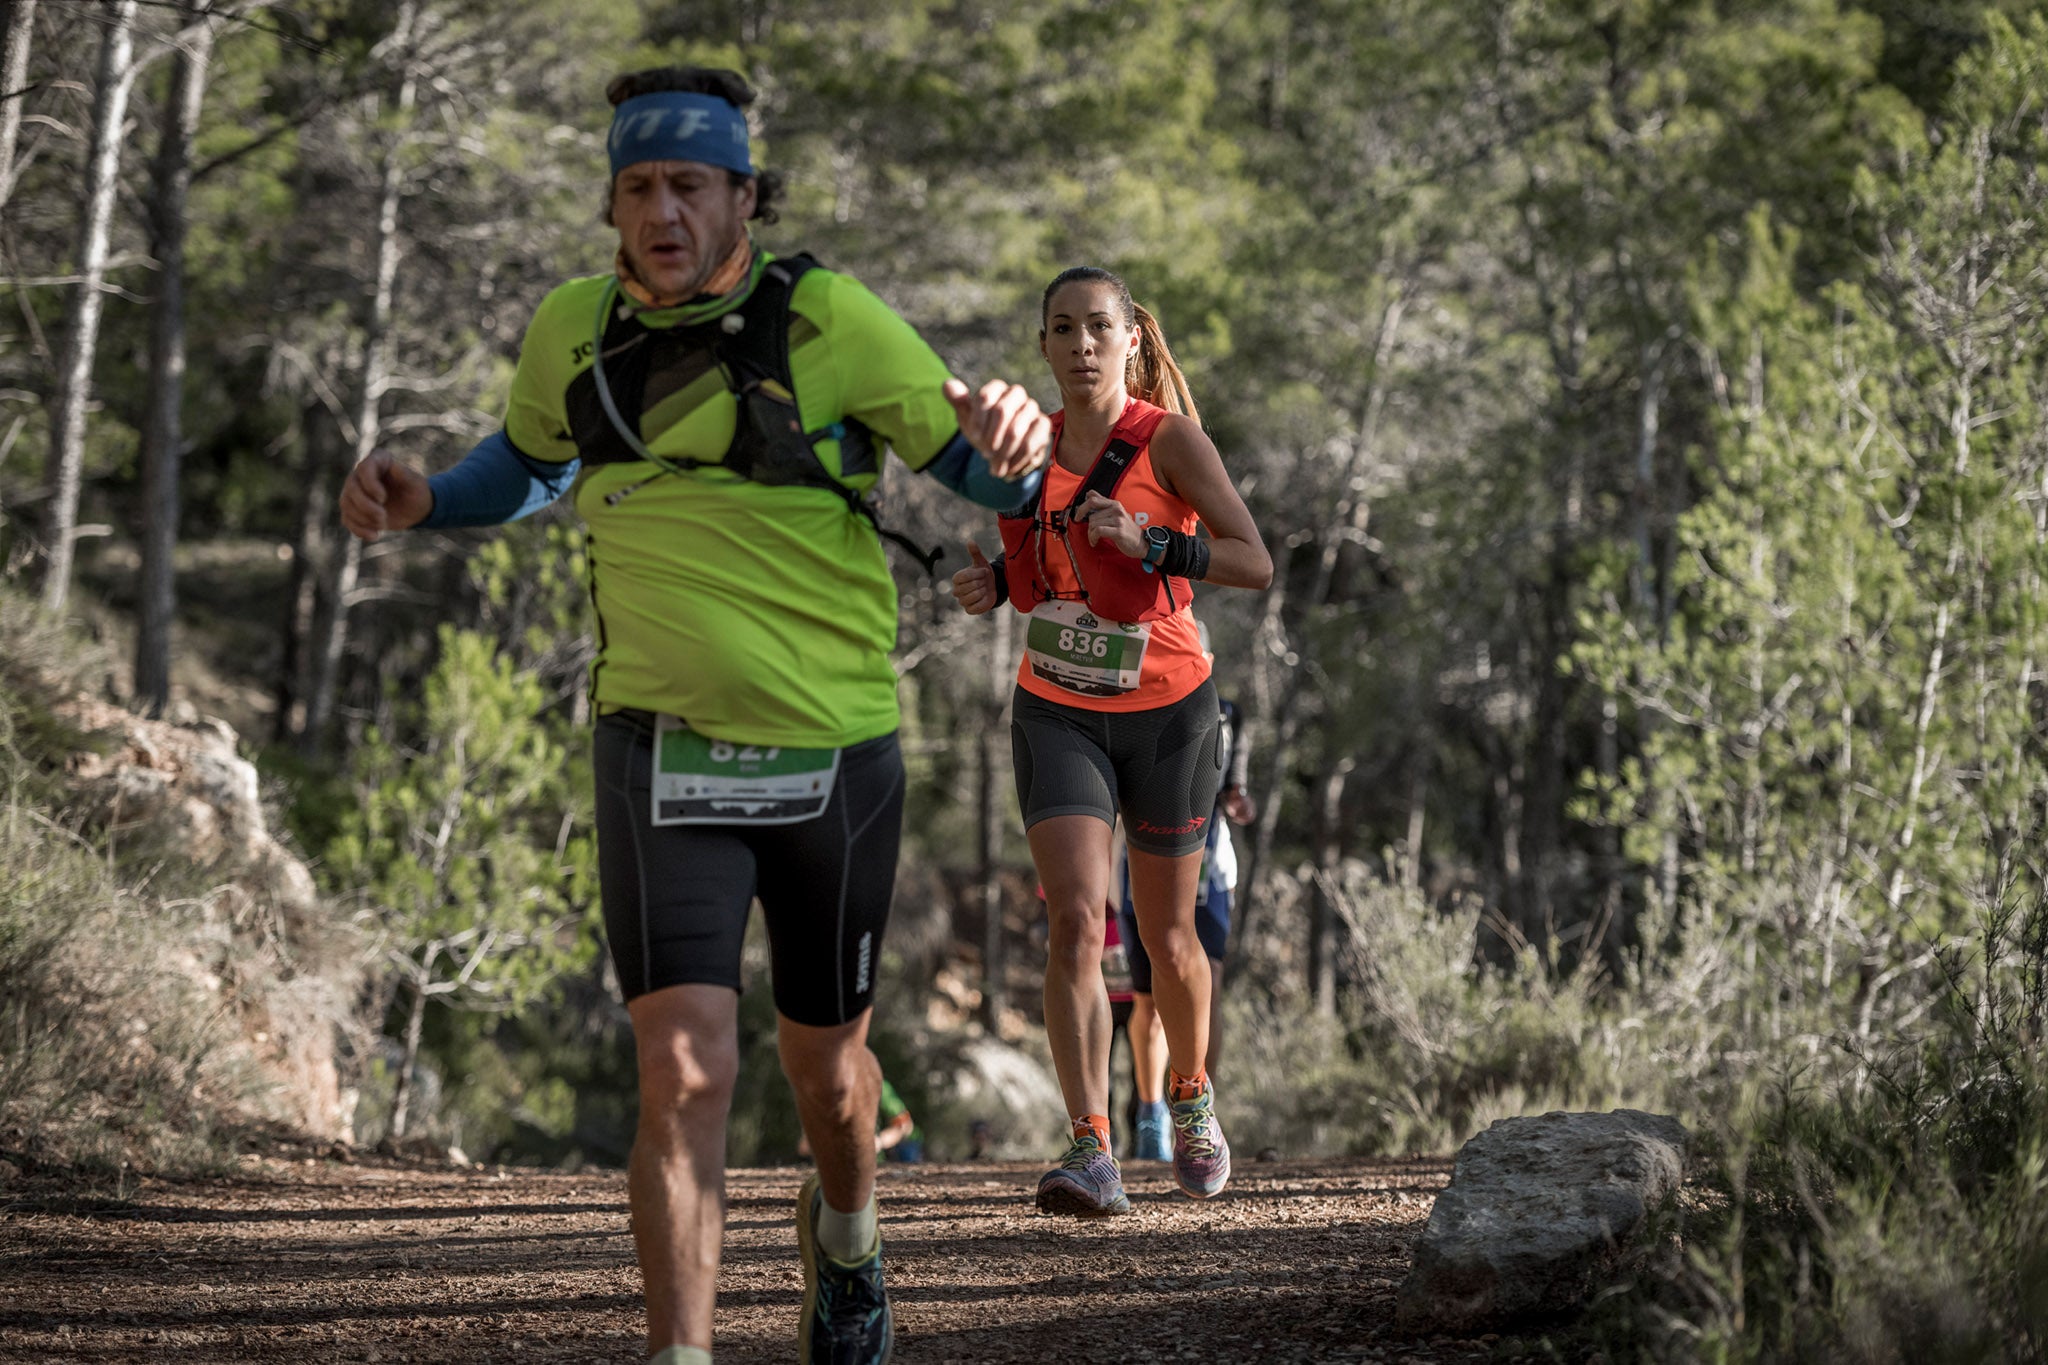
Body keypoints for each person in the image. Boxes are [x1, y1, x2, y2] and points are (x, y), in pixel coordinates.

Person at [339, 65, 1052, 1365]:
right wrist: (426, 499)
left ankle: (846, 1237)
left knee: (830, 1081)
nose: (661, 209)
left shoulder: (830, 319)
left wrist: (1020, 442)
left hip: (834, 757)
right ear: (611, 202)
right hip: (654, 747)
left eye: (688, 183)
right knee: (681, 1068)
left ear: (742, 194)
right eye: (636, 186)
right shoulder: (572, 328)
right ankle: (683, 1353)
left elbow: (987, 477)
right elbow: (531, 462)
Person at [949, 265, 1272, 1216]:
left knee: (1169, 942)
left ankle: (1191, 1097)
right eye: (1063, 328)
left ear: (1133, 339)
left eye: (1100, 327)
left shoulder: (1169, 441)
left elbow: (1254, 561)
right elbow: (1025, 573)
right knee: (1077, 923)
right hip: (1057, 706)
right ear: (1043, 346)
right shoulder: (1022, 456)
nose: (1082, 343)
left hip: (1170, 709)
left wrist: (1156, 545)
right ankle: (1092, 1144)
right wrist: (990, 591)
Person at [1119, 684, 1256, 1160]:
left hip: (1210, 869)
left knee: (1208, 987)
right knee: (1149, 1001)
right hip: (1138, 860)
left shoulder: (1227, 712)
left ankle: (1199, 1110)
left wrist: (1239, 800)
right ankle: (1151, 1112)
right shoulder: (1130, 695)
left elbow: (1235, 780)